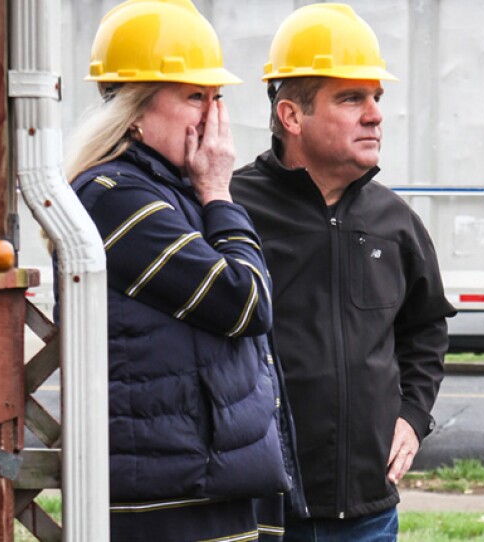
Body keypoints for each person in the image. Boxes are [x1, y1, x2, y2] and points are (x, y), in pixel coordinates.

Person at [63, 1, 305, 540]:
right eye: (196, 96)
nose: (212, 117)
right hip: (168, 497)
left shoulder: (170, 190)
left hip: (207, 482)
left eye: (217, 97)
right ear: (133, 107)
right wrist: (219, 191)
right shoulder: (113, 195)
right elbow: (245, 302)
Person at [232, 4, 455, 540]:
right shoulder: (231, 210)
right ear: (291, 115)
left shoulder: (394, 221)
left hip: (368, 512)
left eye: (376, 97)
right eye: (351, 98)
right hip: (260, 507)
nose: (375, 114)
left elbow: (426, 328)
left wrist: (413, 415)